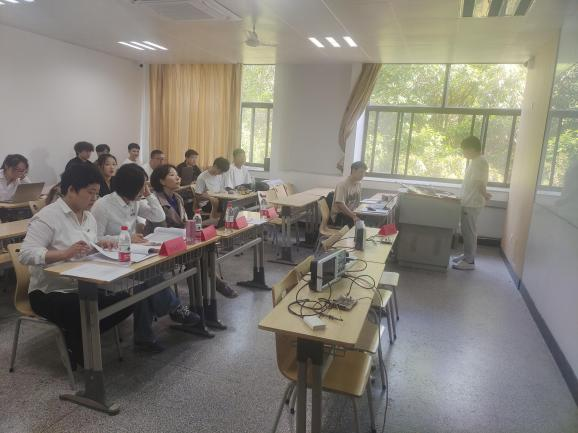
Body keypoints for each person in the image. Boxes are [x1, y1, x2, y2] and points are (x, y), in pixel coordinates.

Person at [19, 164, 133, 369]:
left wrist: (103, 243)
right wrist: (63, 254)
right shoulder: (47, 217)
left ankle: (77, 336)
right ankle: (81, 345)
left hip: (83, 285)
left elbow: (89, 244)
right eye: (90, 193)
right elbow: (26, 254)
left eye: (97, 194)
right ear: (71, 189)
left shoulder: (88, 216)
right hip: (49, 291)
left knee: (126, 300)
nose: (94, 198)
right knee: (79, 309)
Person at [91, 163, 200, 352]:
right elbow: (95, 239)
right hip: (108, 261)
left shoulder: (135, 201)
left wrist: (149, 195)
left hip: (131, 256)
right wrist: (125, 237)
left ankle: (146, 335)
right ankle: (174, 310)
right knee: (146, 279)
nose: (145, 189)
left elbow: (158, 216)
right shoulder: (103, 206)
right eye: (142, 186)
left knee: (146, 279)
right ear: (131, 186)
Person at [147, 165, 238, 298]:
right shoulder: (154, 200)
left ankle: (203, 296)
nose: (178, 178)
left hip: (182, 239)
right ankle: (207, 293)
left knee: (204, 250)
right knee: (196, 255)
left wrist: (198, 226)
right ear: (161, 181)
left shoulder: (177, 197)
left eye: (177, 174)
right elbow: (161, 229)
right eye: (172, 175)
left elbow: (184, 221)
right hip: (162, 245)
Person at [452, 136, 491, 271]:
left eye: (464, 150)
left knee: (469, 232)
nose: (463, 153)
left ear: (472, 149)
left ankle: (469, 261)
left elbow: (479, 182)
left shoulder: (479, 162)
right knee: (466, 231)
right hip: (468, 201)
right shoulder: (475, 161)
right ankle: (466, 255)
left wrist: (485, 195)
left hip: (472, 203)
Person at [330, 161, 366, 228]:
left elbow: (358, 202)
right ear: (353, 170)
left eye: (364, 172)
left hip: (351, 213)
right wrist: (354, 216)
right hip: (340, 216)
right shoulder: (342, 185)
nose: (363, 175)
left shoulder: (358, 184)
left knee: (369, 219)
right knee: (361, 225)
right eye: (361, 172)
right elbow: (340, 204)